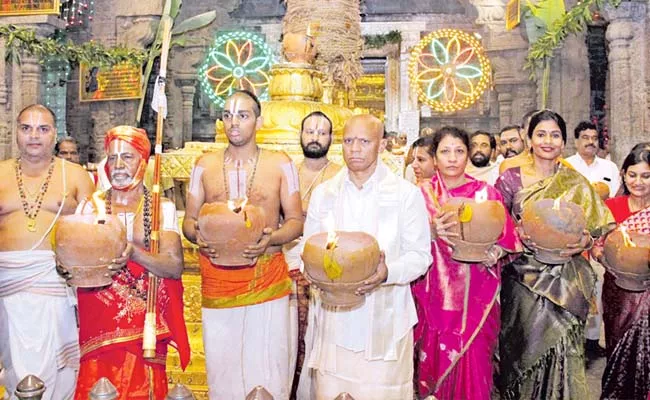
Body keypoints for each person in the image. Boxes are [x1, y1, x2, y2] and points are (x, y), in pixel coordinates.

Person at [297, 114, 432, 399]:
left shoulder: (405, 195)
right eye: (348, 141)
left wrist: (387, 273)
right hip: (333, 324)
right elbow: (307, 248)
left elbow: (420, 257)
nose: (354, 148)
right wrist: (308, 269)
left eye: (364, 141)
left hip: (386, 325)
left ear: (381, 145)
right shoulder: (325, 193)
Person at [182, 90, 303, 399]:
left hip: (267, 280)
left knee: (269, 368)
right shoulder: (204, 165)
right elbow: (189, 222)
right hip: (218, 281)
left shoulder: (280, 163)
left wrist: (270, 239)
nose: (233, 123)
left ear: (258, 121)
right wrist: (200, 238)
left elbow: (295, 222)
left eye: (243, 115)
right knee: (222, 371)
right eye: (227, 115)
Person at [495, 110, 614, 399]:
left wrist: (584, 241)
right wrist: (517, 235)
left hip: (567, 281)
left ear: (563, 142)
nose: (548, 141)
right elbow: (496, 224)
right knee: (523, 353)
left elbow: (599, 228)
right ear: (529, 139)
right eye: (541, 134)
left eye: (555, 135)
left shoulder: (575, 181)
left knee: (565, 352)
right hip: (522, 281)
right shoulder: (510, 180)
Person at [70, 126, 190, 399]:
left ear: (144, 161)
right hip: (99, 324)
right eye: (112, 158)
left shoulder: (161, 207)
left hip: (146, 323)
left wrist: (134, 253)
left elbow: (173, 266)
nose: (119, 165)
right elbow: (74, 263)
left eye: (128, 157)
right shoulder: (91, 207)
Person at [412, 126, 522, 399]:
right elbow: (403, 242)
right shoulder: (419, 195)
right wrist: (431, 232)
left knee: (474, 365)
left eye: (459, 151)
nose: (452, 158)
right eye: (445, 151)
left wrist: (495, 253)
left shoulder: (486, 193)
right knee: (433, 367)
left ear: (468, 155)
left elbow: (509, 237)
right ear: (434, 157)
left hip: (476, 298)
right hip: (433, 297)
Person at [0, 104, 95, 399]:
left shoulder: (76, 176)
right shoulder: (1, 174)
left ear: (54, 134)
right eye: (26, 128)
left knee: (59, 369)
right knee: (15, 367)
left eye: (43, 129)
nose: (34, 136)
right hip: (8, 285)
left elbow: (96, 231)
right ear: (16, 132)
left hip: (56, 283)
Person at [285, 111, 341, 397]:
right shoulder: (288, 172)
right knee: (287, 339)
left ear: (331, 138)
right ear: (301, 135)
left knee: (315, 338)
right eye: (310, 131)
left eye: (322, 132)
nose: (315, 137)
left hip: (322, 267)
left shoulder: (339, 176)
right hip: (286, 264)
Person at [592, 142, 650, 400]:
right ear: (624, 175)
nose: (638, 182)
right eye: (632, 174)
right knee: (619, 349)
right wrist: (603, 254)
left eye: (647, 176)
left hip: (648, 291)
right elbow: (595, 245)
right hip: (618, 292)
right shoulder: (611, 207)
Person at [565, 121, 620, 199]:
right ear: (576, 142)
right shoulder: (566, 166)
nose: (591, 142)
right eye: (586, 138)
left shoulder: (610, 167)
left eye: (594, 138)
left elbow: (616, 197)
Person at [499, 109, 539, 174]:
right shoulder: (507, 166)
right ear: (523, 134)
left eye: (513, 140)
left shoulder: (558, 163)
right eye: (503, 143)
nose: (508, 146)